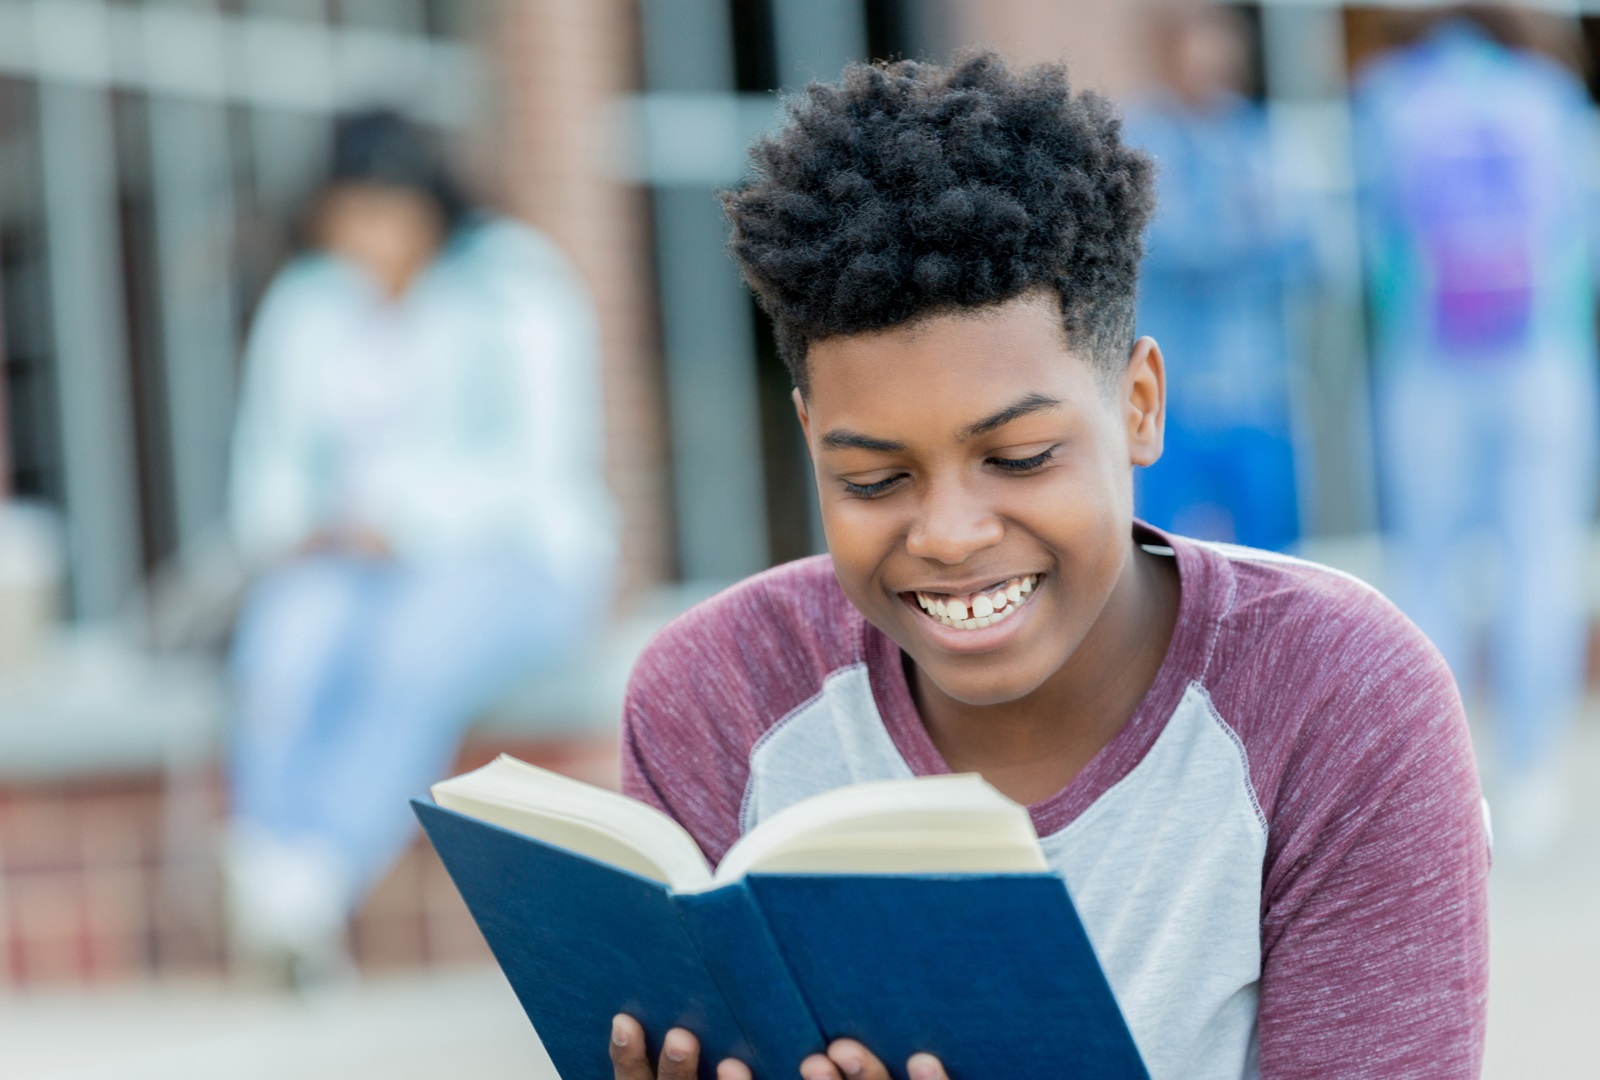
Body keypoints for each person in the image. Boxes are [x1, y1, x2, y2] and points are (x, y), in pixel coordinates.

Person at [608, 53, 1487, 1080]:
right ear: (811, 443)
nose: (947, 533)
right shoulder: (717, 699)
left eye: (1018, 459)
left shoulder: (1338, 700)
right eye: (873, 479)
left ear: (1138, 405)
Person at [226, 111, 617, 978]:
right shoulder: (308, 299)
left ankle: (314, 877)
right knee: (287, 641)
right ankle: (267, 864)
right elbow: (270, 464)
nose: (369, 240)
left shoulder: (514, 281)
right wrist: (307, 530)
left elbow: (541, 462)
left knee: (411, 650)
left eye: (386, 213)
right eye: (350, 217)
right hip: (343, 562)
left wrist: (400, 519)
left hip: (508, 559)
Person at [1354, 13, 1598, 860]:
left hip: (1430, 364)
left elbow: (1373, 241)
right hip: (1540, 362)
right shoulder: (1550, 96)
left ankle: (1442, 779)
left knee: (1428, 568)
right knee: (1539, 561)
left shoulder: (1389, 98)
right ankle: (1531, 776)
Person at [1126, 1, 1312, 551]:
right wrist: (1246, 236)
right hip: (1169, 391)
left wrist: (1232, 240)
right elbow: (1165, 244)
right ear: (1168, 54)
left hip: (1257, 388)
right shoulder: (1138, 139)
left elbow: (1305, 247)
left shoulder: (1260, 138)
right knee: (1160, 547)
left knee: (1273, 550)